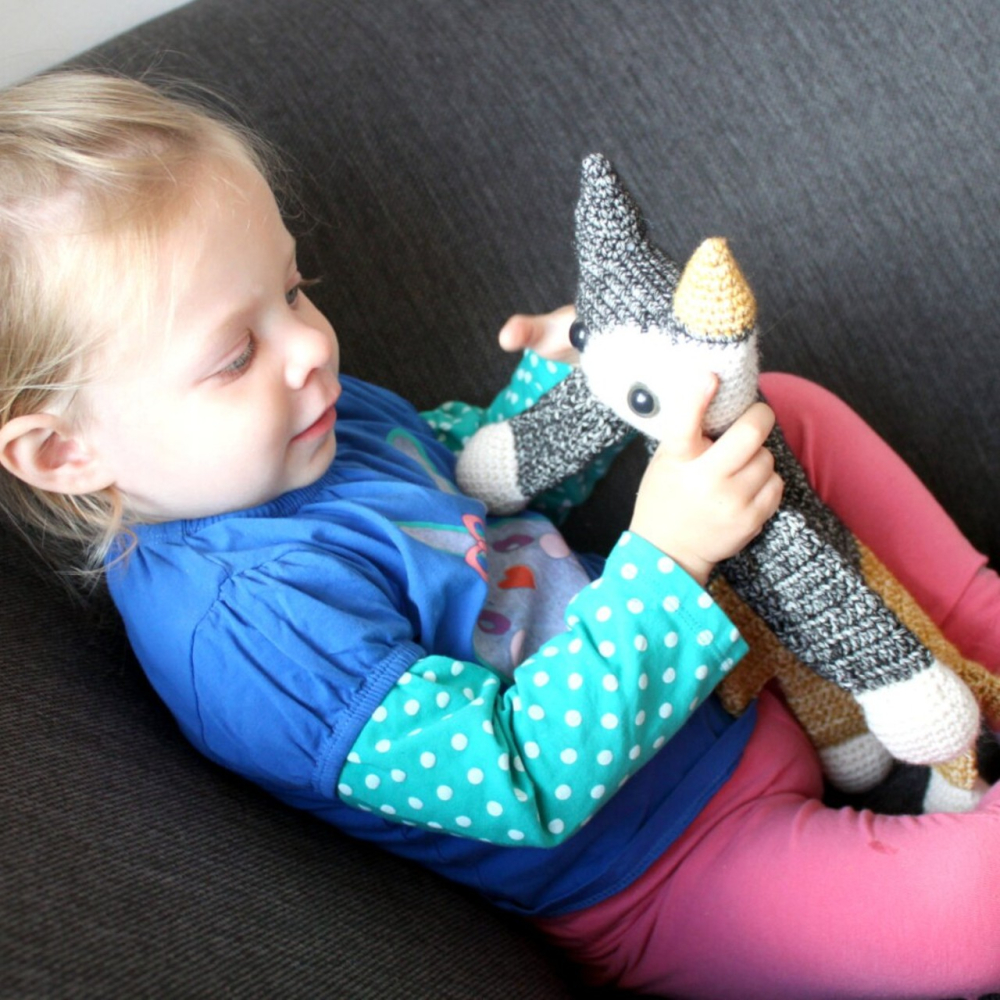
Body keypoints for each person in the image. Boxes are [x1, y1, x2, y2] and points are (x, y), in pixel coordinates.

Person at [0, 70, 998, 1000]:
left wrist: (574, 389)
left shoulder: (311, 423)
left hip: (737, 666)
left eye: (294, 290)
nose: (311, 346)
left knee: (770, 413)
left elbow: (479, 488)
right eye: (234, 355)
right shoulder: (252, 633)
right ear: (63, 451)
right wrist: (668, 558)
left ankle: (976, 628)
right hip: (668, 862)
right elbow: (518, 775)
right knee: (971, 914)